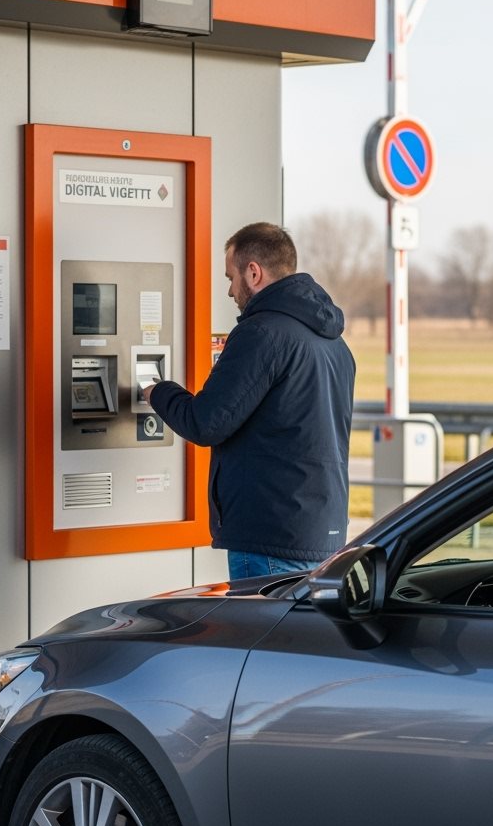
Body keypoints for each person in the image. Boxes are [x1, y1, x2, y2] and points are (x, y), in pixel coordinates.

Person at [143, 222, 356, 580]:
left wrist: (157, 391)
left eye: (231, 277)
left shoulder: (261, 332)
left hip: (269, 536)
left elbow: (205, 422)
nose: (230, 290)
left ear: (253, 272)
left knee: (258, 619)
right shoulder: (335, 343)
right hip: (323, 532)